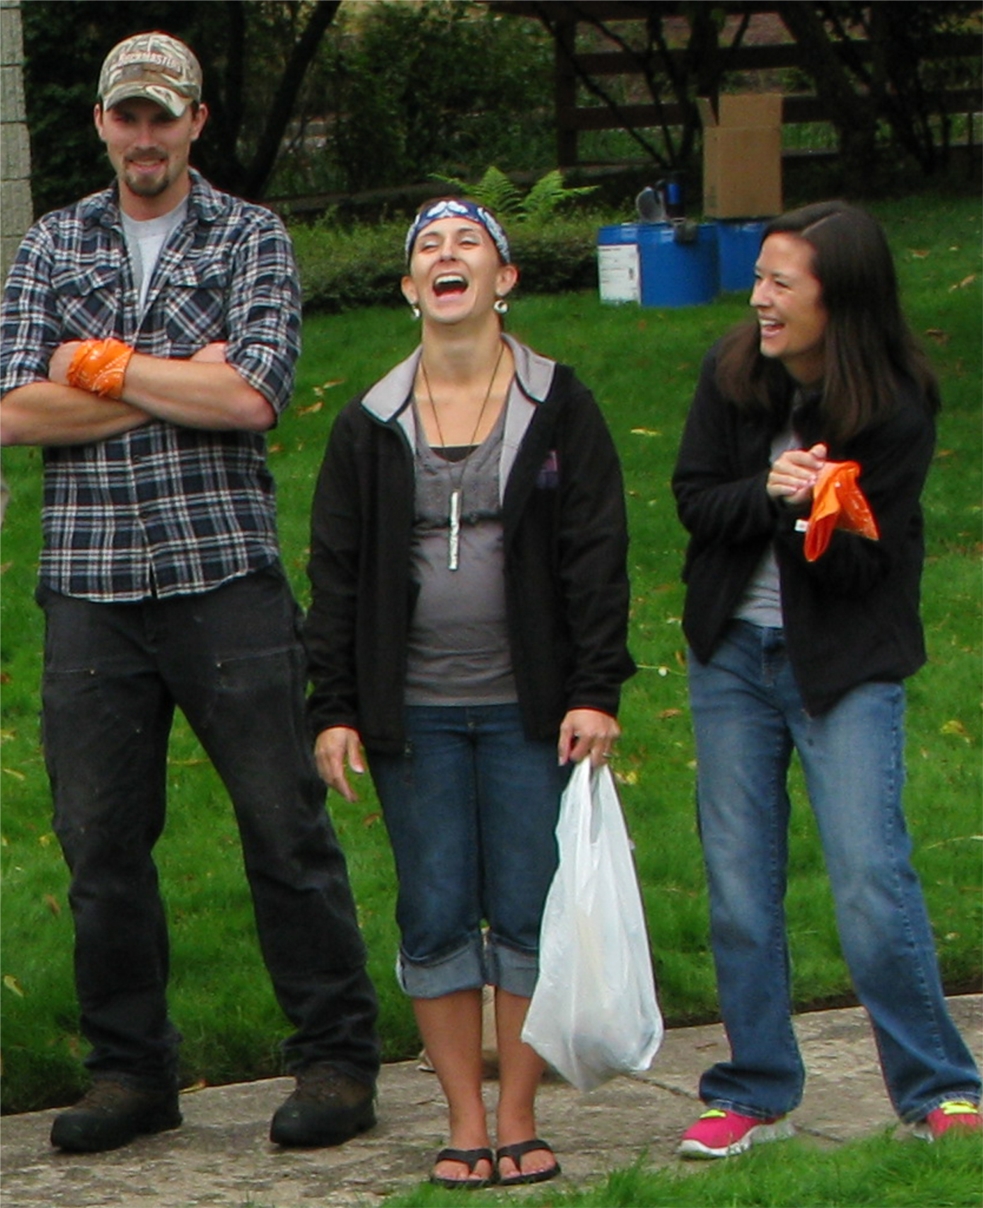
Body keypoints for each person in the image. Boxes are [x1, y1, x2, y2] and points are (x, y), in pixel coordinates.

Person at [0, 31, 380, 1154]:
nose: (145, 134)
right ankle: (130, 1072)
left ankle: (336, 1055)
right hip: (89, 587)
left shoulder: (251, 234)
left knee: (283, 825)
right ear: (104, 123)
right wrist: (176, 379)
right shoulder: (51, 240)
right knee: (101, 845)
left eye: (164, 115)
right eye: (128, 115)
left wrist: (97, 364)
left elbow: (255, 394)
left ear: (197, 121)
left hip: (225, 575)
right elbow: (14, 410)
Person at [305, 197, 635, 1187]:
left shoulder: (559, 403)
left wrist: (594, 688)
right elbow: (335, 571)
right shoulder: (367, 422)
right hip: (414, 716)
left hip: (532, 711)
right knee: (439, 909)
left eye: (469, 247)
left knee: (527, 912)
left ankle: (520, 1113)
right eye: (427, 251)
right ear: (409, 289)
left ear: (504, 279)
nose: (447, 260)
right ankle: (461, 1118)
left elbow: (595, 555)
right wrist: (334, 706)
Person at [671, 200, 982, 1159]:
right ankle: (754, 1089)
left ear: (835, 300)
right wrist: (769, 494)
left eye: (780, 285)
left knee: (867, 880)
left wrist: (821, 514)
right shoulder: (731, 377)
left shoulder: (892, 406)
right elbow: (693, 502)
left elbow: (862, 575)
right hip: (731, 658)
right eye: (759, 279)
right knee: (737, 887)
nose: (759, 300)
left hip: (843, 668)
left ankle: (938, 1086)